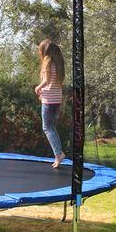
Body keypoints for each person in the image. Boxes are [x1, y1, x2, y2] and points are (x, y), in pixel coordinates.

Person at [34, 39, 66, 168]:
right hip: (57, 98)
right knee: (51, 127)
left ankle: (58, 154)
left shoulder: (47, 61)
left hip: (49, 99)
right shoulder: (58, 63)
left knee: (46, 128)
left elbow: (46, 81)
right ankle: (59, 154)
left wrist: (38, 88)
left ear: (43, 51)